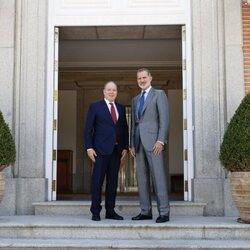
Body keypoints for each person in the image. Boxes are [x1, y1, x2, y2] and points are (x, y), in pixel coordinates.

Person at [84, 81, 129, 221]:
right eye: (109, 89)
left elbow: (124, 129)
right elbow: (87, 129)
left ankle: (110, 210)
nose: (111, 92)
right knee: (97, 182)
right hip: (99, 151)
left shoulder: (121, 108)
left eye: (114, 90)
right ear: (104, 91)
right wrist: (89, 147)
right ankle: (95, 211)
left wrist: (125, 148)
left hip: (116, 151)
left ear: (116, 92)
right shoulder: (95, 107)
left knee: (113, 183)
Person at [130, 68, 170, 223]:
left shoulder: (159, 95)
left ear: (150, 78)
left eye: (144, 77)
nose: (141, 80)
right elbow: (134, 124)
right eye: (139, 78)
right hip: (139, 144)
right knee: (142, 179)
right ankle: (145, 211)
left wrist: (161, 140)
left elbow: (164, 120)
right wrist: (132, 144)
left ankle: (164, 212)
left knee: (158, 177)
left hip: (155, 144)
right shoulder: (135, 100)